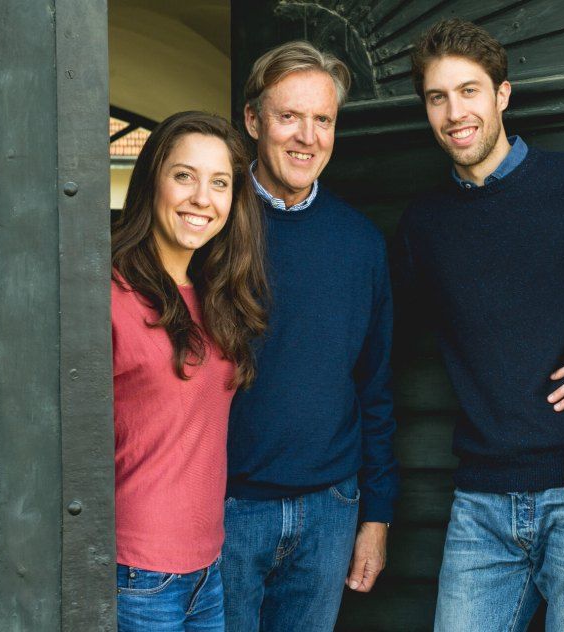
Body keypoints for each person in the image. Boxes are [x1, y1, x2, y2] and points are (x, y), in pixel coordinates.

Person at [394, 19, 564, 631]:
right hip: (479, 504)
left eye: (469, 91)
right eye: (437, 97)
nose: (455, 112)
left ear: (503, 95)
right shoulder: (423, 226)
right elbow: (375, 340)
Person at [221, 41, 399, 632]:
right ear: (253, 120)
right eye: (288, 116)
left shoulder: (360, 243)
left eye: (322, 120)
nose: (306, 136)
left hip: (330, 508)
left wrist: (375, 517)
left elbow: (373, 387)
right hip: (225, 508)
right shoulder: (212, 223)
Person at [110, 111, 268, 631]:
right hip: (138, 572)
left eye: (219, 182)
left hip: (208, 567)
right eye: (184, 176)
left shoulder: (214, 297)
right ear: (152, 180)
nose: (203, 197)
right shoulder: (110, 293)